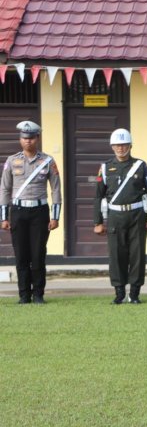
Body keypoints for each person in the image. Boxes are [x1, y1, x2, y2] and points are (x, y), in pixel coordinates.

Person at [94, 128, 147, 305]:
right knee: (116, 255)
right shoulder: (105, 168)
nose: (121, 148)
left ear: (130, 145)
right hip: (115, 216)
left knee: (137, 255)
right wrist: (98, 222)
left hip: (137, 215)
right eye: (117, 145)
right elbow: (98, 196)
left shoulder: (140, 165)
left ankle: (135, 293)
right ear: (112, 146)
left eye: (124, 145)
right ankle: (119, 292)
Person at [0, 121, 61, 304]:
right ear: (20, 139)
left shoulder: (48, 161)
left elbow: (56, 189)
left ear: (37, 139)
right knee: (21, 254)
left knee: (38, 254)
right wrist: (4, 216)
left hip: (39, 212)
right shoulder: (12, 160)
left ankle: (38, 294)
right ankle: (24, 295)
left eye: (31, 138)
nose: (28, 141)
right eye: (25, 138)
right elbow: (4, 189)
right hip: (18, 211)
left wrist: (55, 216)